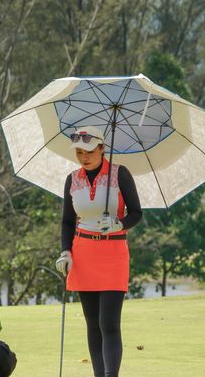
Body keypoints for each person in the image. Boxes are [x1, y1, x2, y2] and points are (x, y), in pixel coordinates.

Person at [55, 126, 142, 377]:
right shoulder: (72, 179)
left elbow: (136, 213)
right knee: (92, 324)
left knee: (109, 323)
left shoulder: (120, 174)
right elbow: (67, 222)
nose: (84, 156)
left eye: (90, 151)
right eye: (79, 152)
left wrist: (119, 223)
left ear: (103, 148)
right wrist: (65, 252)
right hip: (83, 254)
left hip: (114, 254)